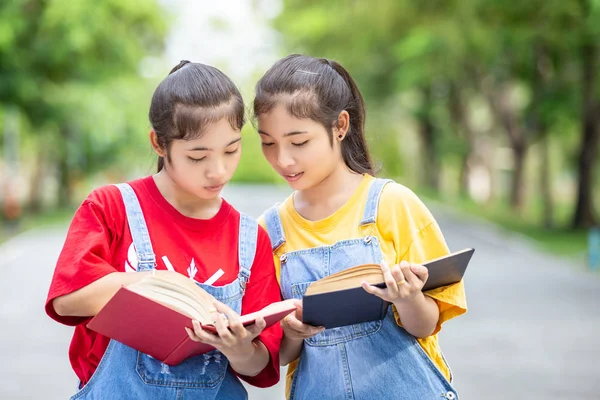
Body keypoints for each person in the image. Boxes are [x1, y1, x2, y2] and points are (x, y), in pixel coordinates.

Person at [45, 60, 283, 399]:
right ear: (159, 143)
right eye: (198, 157)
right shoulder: (112, 207)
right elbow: (67, 302)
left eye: (231, 150)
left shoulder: (249, 238)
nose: (218, 171)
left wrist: (238, 348)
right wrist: (157, 282)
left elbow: (261, 367)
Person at [253, 54, 467, 400]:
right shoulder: (269, 230)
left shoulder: (393, 205)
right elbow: (281, 356)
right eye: (268, 143)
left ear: (340, 126)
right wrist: (293, 332)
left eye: (299, 142)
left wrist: (409, 298)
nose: (283, 159)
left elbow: (426, 324)